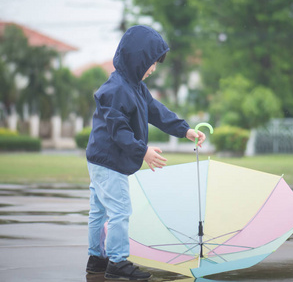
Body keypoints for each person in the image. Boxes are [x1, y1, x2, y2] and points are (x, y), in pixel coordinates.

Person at [85, 25, 206, 280]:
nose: (153, 69)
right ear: (137, 59)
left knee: (99, 210)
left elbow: (156, 111)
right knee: (119, 211)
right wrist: (144, 152)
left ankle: (96, 259)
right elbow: (119, 131)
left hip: (103, 159)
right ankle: (117, 262)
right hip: (109, 161)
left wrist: (185, 131)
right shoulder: (115, 89)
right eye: (152, 62)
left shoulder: (136, 87)